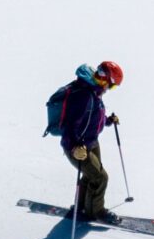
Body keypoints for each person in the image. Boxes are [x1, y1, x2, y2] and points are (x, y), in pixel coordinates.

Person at [52, 61, 123, 223]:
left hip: (91, 142)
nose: (109, 90)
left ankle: (81, 208)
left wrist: (108, 120)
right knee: (100, 178)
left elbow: (93, 117)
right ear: (105, 80)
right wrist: (75, 146)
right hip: (78, 146)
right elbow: (69, 125)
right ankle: (97, 212)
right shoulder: (83, 96)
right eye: (111, 86)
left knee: (91, 175)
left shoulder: (93, 92)